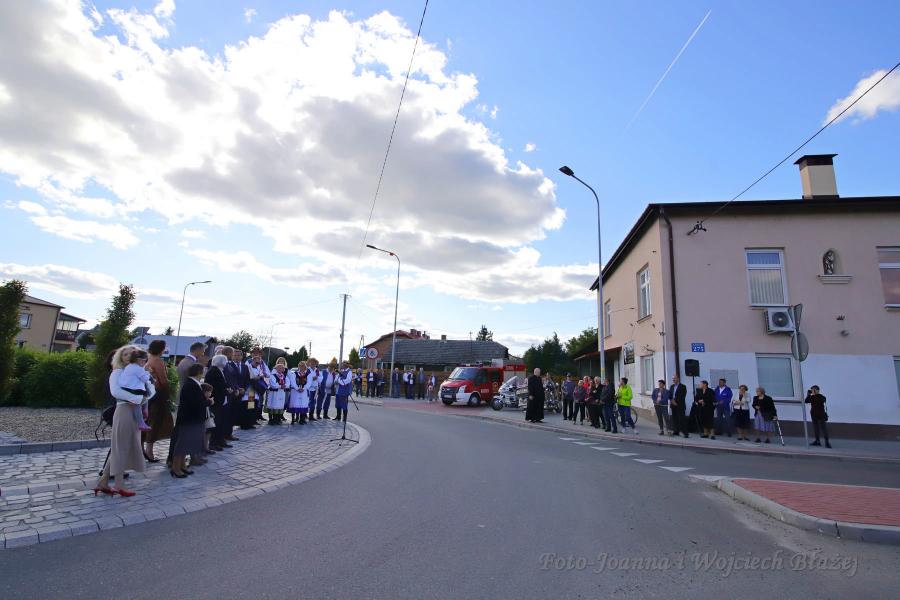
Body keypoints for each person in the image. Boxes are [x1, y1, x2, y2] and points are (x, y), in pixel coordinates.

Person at [95, 345, 151, 497]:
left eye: (131, 354)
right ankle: (119, 484)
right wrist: (138, 399)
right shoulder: (117, 372)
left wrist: (144, 400)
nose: (128, 356)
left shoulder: (136, 372)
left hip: (134, 412)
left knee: (120, 447)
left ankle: (103, 482)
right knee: (121, 448)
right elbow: (116, 392)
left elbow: (148, 391)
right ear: (120, 357)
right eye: (125, 354)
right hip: (124, 410)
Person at [168, 341, 207, 467]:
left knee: (186, 433)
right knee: (184, 434)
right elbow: (190, 383)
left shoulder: (186, 361)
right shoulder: (189, 363)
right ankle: (176, 460)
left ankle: (186, 458)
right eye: (203, 351)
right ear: (198, 350)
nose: (203, 354)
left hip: (187, 400)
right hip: (188, 403)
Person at [170, 363, 211, 478]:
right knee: (182, 444)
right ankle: (175, 468)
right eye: (202, 370)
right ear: (198, 372)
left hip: (192, 419)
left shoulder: (194, 383)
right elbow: (195, 403)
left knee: (187, 444)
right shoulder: (191, 385)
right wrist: (208, 401)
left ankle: (182, 465)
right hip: (188, 420)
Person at [143, 340, 174, 462]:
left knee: (148, 421)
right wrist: (168, 395)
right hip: (158, 395)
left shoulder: (148, 359)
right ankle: (149, 451)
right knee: (155, 422)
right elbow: (163, 380)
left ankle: (144, 449)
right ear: (161, 349)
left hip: (149, 394)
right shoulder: (157, 361)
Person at [117, 349, 152, 432]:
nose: (145, 363)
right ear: (139, 360)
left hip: (125, 389)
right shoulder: (138, 368)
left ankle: (145, 410)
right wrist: (147, 372)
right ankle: (141, 422)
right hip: (133, 390)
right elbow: (145, 379)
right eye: (144, 361)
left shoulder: (129, 366)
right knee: (138, 404)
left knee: (144, 398)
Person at [205, 354, 231, 449]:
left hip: (221, 400)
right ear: (222, 362)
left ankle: (220, 440)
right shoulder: (213, 371)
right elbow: (215, 388)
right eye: (225, 361)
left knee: (221, 422)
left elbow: (222, 385)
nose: (226, 363)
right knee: (216, 422)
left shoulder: (219, 370)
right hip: (216, 400)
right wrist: (226, 391)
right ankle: (214, 443)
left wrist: (227, 389)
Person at [267, 360, 288, 424]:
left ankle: (278, 419)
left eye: (282, 368)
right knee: (273, 405)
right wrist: (280, 386)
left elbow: (288, 383)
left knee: (279, 405)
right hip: (274, 393)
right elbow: (273, 384)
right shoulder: (273, 375)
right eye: (278, 368)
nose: (280, 369)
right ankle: (271, 420)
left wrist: (285, 386)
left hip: (281, 393)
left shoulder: (284, 376)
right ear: (276, 369)